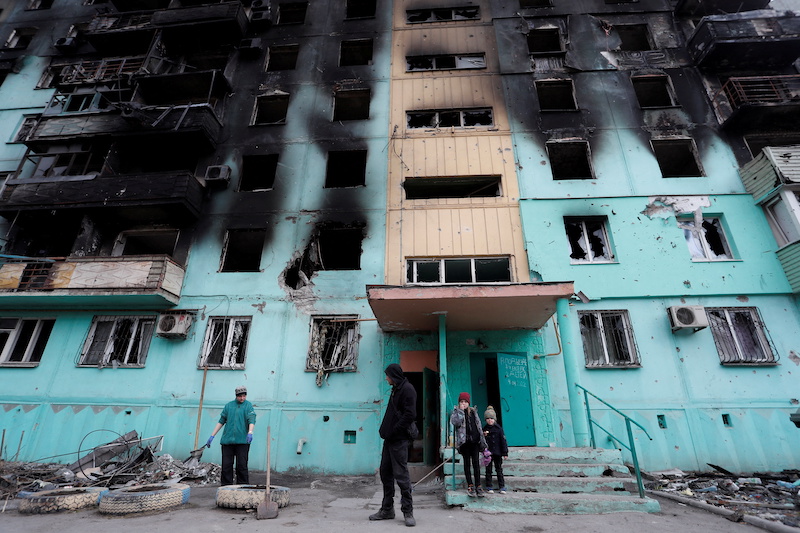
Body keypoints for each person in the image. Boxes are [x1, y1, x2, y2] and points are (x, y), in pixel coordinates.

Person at [370, 363, 417, 527]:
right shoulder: (396, 388)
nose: (386, 378)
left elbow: (410, 414)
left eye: (388, 375)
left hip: (399, 440)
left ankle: (408, 511)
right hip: (389, 440)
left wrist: (395, 430)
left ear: (394, 376)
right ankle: (387, 509)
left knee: (402, 476)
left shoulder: (408, 389)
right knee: (385, 473)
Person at [206, 385, 256, 486]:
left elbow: (251, 419)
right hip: (227, 441)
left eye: (244, 396)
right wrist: (212, 436)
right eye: (240, 396)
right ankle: (226, 487)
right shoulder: (229, 406)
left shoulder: (248, 406)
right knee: (226, 465)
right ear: (236, 395)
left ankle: (243, 486)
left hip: (242, 441)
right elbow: (221, 421)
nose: (242, 398)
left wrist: (250, 432)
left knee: (241, 465)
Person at [450, 392, 487, 498]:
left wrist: (481, 438)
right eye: (462, 402)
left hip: (474, 442)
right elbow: (455, 422)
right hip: (465, 443)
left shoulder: (473, 412)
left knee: (476, 464)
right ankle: (470, 485)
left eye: (465, 402)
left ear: (468, 403)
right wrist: (460, 411)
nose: (464, 404)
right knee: (467, 464)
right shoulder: (456, 412)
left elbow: (478, 425)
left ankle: (478, 485)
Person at [482, 405, 508, 494]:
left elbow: (503, 441)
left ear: (495, 419)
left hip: (498, 453)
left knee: (499, 469)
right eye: (488, 418)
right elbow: (481, 441)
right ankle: (489, 486)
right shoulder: (484, 429)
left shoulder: (499, 429)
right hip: (488, 453)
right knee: (488, 470)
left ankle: (502, 486)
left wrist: (505, 452)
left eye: (492, 418)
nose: (490, 420)